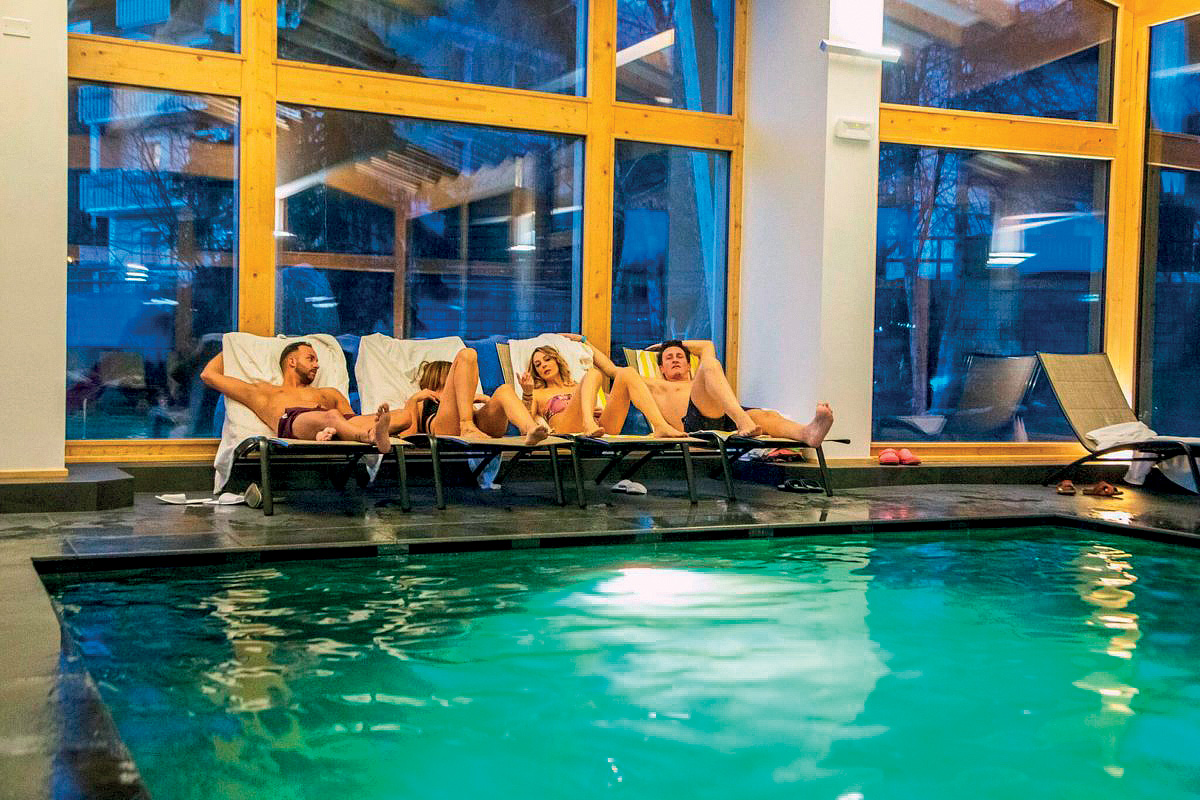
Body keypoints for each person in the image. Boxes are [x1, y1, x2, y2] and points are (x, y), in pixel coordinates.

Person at [200, 341, 402, 453]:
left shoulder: (329, 393)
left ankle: (335, 434)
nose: (317, 365)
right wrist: (234, 349)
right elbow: (208, 375)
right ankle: (369, 436)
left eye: (317, 361)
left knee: (403, 416)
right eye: (310, 359)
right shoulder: (265, 392)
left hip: (336, 423)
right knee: (332, 416)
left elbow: (350, 420)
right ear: (292, 361)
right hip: (293, 420)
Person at [635, 338, 835, 444]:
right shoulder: (655, 385)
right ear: (661, 368)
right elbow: (624, 376)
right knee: (710, 363)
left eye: (680, 356)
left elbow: (707, 345)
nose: (675, 360)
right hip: (695, 424)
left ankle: (807, 433)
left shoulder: (700, 381)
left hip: (727, 415)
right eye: (669, 358)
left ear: (689, 365)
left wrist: (668, 344)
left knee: (765, 416)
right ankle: (742, 420)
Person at [520, 336, 686, 438]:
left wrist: (584, 341)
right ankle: (587, 423)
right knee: (593, 373)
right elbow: (525, 426)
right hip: (566, 430)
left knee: (627, 372)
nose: (543, 365)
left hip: (599, 428)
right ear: (536, 371)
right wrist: (527, 394)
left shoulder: (579, 386)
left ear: (557, 361)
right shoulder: (538, 393)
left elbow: (611, 372)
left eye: (547, 359)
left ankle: (660, 426)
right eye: (538, 364)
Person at [400, 348, 550, 446]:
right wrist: (413, 400)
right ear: (438, 374)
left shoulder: (465, 397)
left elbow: (493, 417)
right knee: (468, 354)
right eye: (452, 370)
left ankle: (530, 429)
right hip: (445, 430)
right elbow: (407, 438)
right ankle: (466, 425)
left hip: (477, 427)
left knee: (505, 389)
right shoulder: (423, 400)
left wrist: (486, 401)